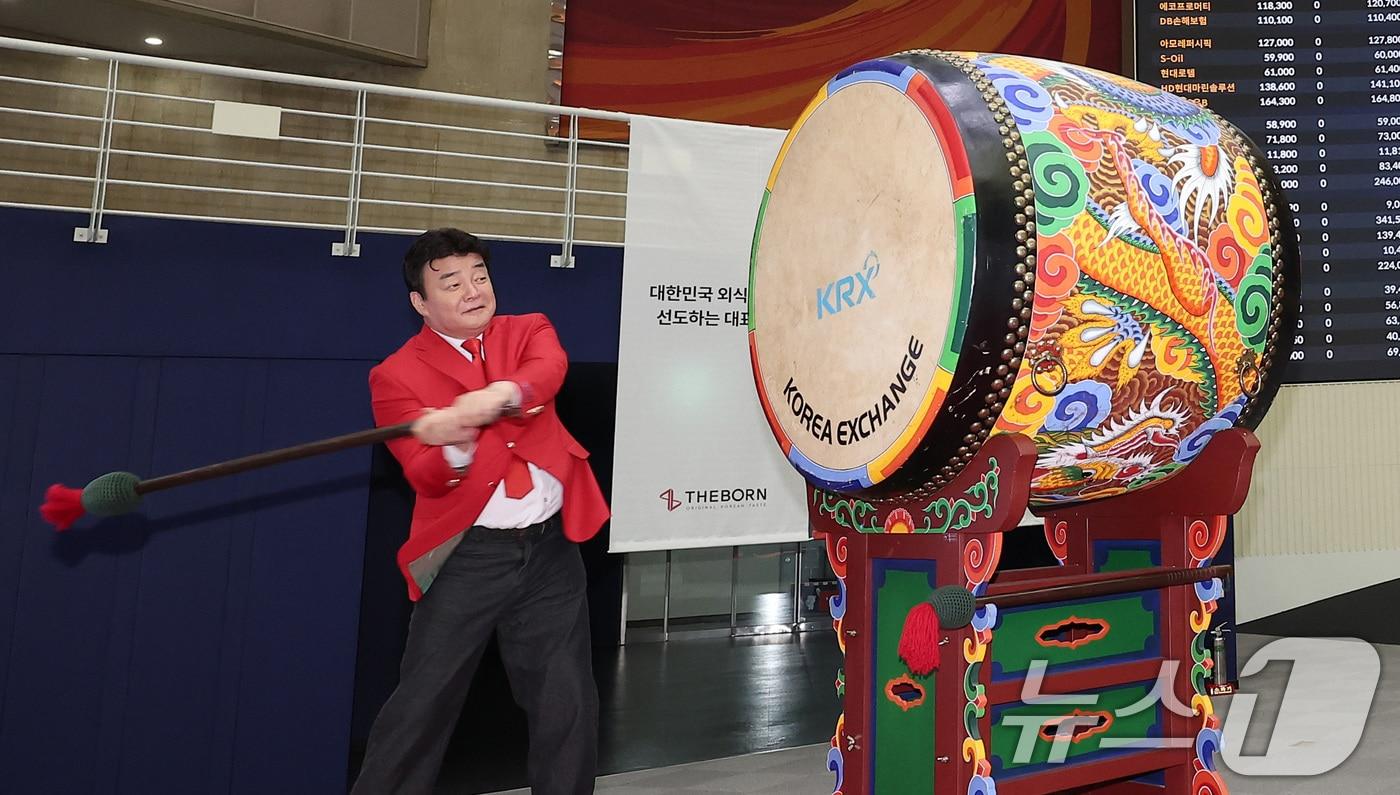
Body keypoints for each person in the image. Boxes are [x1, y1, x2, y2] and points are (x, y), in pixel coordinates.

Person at [352, 227, 610, 795]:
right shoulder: (395, 376)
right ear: (420, 302)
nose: (473, 290)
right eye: (451, 282)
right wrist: (454, 443)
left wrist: (499, 396)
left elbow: (548, 370)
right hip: (468, 556)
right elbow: (422, 473)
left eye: (480, 276)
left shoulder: (527, 330)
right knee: (422, 704)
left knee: (567, 702)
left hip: (549, 549)